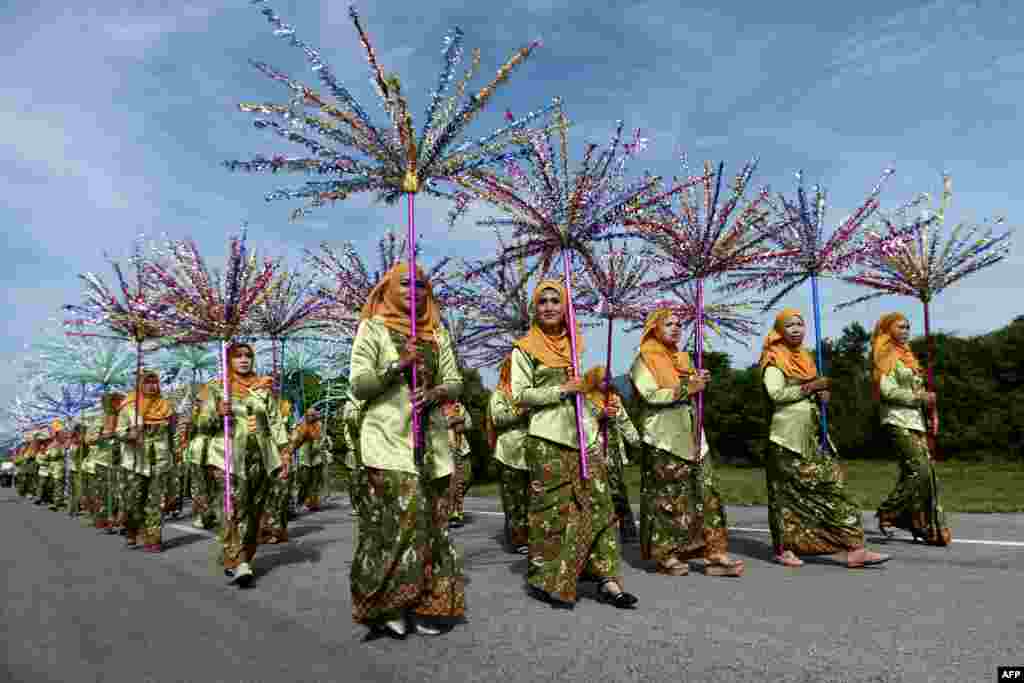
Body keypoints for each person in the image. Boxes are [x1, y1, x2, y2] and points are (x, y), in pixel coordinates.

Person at [349, 261, 466, 638]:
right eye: (405, 283)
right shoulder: (373, 328)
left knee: (433, 523)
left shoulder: (437, 333)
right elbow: (360, 385)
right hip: (387, 440)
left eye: (421, 284)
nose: (414, 290)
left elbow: (455, 382)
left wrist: (434, 394)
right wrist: (398, 365)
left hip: (430, 443)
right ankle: (388, 603)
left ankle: (427, 602)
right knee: (403, 519)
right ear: (387, 289)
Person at [510, 279, 638, 610]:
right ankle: (550, 579)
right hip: (546, 439)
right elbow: (520, 396)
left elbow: (583, 394)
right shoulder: (523, 348)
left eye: (556, 300)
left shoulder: (575, 346)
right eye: (543, 301)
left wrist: (600, 409)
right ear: (534, 309)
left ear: (565, 307)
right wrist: (562, 390)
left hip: (584, 438)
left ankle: (607, 577)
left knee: (601, 505)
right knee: (552, 513)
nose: (550, 306)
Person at [761, 308, 890, 568]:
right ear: (779, 330)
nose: (797, 329)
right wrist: (810, 387)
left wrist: (822, 397)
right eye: (790, 325)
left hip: (813, 435)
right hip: (787, 437)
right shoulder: (773, 359)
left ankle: (853, 547)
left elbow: (810, 392)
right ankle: (784, 548)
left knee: (833, 489)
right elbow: (776, 394)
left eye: (800, 324)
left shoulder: (806, 358)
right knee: (786, 495)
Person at [631, 309, 744, 577]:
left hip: (694, 438)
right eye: (668, 324)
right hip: (664, 438)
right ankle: (666, 554)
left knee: (707, 493)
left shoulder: (683, 359)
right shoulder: (643, 360)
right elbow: (650, 395)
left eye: (679, 324)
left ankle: (714, 553)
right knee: (669, 498)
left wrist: (698, 380)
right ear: (654, 328)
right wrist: (687, 388)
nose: (675, 328)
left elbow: (693, 393)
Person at [195, 342, 290, 586]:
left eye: (248, 356)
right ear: (228, 360)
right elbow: (203, 425)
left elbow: (276, 422)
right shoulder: (217, 388)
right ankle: (238, 561)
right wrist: (217, 411)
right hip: (227, 457)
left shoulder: (263, 388)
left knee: (255, 510)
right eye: (238, 356)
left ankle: (242, 555)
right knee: (232, 507)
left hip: (260, 456)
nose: (244, 360)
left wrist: (284, 453)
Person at [871, 313, 952, 546]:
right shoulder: (884, 354)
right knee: (920, 470)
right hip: (896, 419)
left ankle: (922, 525)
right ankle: (890, 511)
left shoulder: (908, 356)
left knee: (927, 475)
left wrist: (931, 409)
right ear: (887, 329)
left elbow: (920, 392)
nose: (905, 331)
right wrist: (919, 397)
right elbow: (887, 392)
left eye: (908, 327)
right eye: (900, 327)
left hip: (916, 421)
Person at [581, 366, 642, 545]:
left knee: (618, 491)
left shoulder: (614, 399)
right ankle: (597, 533)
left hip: (614, 452)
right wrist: (601, 415)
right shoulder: (585, 400)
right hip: (595, 451)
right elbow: (583, 424)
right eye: (602, 379)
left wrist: (638, 443)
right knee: (596, 492)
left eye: (609, 379)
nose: (607, 383)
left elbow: (625, 422)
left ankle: (628, 531)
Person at [117, 369, 176, 552]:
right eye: (147, 382)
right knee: (133, 502)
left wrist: (176, 451)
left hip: (160, 460)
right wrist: (130, 435)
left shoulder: (166, 406)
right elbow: (118, 431)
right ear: (140, 385)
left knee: (156, 502)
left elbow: (172, 432)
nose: (151, 386)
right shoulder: (129, 407)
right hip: (135, 462)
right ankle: (132, 530)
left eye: (154, 382)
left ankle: (154, 538)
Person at [488, 354, 530, 554]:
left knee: (531, 498)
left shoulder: (528, 392)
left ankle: (533, 537)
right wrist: (519, 413)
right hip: (508, 454)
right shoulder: (500, 394)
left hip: (529, 453)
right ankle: (518, 540)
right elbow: (497, 419)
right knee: (513, 500)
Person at [261, 397, 294, 544]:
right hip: (264, 457)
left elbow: (289, 438)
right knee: (265, 498)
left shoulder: (287, 414)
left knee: (279, 497)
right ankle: (265, 530)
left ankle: (277, 531)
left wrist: (285, 454)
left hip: (280, 458)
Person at [294, 407, 332, 512]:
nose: (311, 417)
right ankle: (300, 501)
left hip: (317, 456)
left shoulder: (320, 425)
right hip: (305, 456)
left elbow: (324, 439)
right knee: (304, 480)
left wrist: (323, 443)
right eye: (309, 415)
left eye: (313, 415)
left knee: (316, 480)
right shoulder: (301, 425)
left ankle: (313, 502)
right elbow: (297, 440)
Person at [444, 399, 472, 529]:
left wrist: (461, 421)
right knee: (451, 482)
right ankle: (452, 513)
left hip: (461, 447)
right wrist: (451, 421)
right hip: (445, 449)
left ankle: (453, 506)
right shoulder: (436, 406)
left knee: (466, 477)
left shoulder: (459, 406)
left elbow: (469, 424)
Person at [341, 392, 365, 518]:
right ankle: (357, 506)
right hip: (354, 450)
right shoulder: (350, 405)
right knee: (354, 481)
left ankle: (364, 505)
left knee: (363, 480)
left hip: (366, 449)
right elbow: (350, 423)